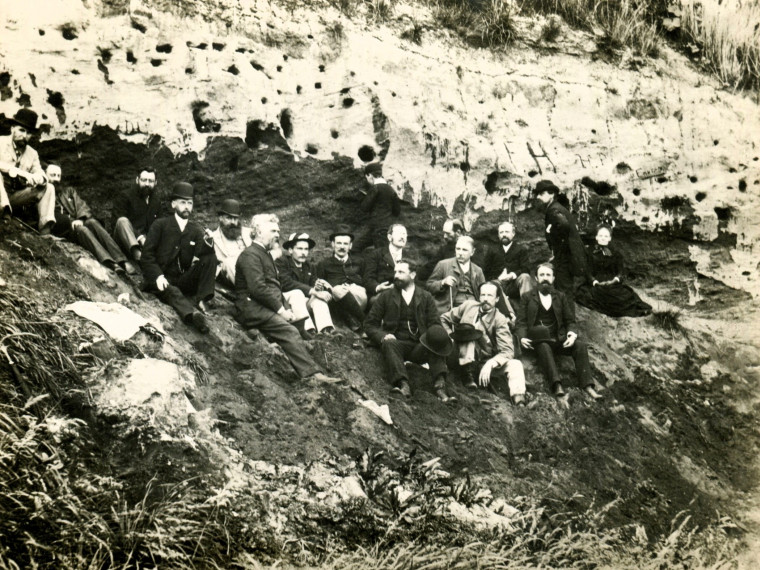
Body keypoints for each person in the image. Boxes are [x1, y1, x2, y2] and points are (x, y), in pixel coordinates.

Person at [235, 214, 340, 384]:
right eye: (273, 230)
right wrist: (281, 310)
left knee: (300, 327)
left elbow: (274, 287)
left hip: (262, 306)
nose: (278, 234)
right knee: (290, 330)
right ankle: (312, 375)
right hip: (251, 308)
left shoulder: (264, 254)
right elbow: (258, 289)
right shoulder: (250, 255)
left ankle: (313, 362)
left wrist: (286, 309)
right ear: (259, 232)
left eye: (278, 230)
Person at [365, 260, 454, 401]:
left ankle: (440, 387)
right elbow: (370, 324)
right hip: (397, 344)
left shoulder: (426, 297)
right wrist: (383, 336)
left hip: (420, 345)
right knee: (389, 344)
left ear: (412, 274)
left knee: (436, 337)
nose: (396, 276)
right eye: (395, 272)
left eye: (401, 272)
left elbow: (435, 323)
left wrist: (435, 335)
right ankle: (403, 384)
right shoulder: (386, 296)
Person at [516, 263, 602, 399]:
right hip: (538, 340)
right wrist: (522, 337)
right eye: (542, 275)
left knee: (580, 345)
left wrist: (572, 335)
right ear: (536, 279)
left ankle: (588, 386)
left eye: (548, 275)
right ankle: (557, 385)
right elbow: (521, 321)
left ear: (553, 278)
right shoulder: (527, 297)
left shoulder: (560, 297)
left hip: (558, 339)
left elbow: (570, 320)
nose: (545, 278)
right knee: (544, 346)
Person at [141, 182, 216, 334]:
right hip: (161, 279)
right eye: (183, 202)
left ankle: (202, 299)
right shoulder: (160, 225)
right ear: (173, 204)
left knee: (210, 258)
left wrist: (209, 242)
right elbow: (147, 256)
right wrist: (157, 275)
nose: (187, 206)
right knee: (172, 291)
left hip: (183, 279)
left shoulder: (196, 230)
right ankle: (192, 315)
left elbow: (203, 257)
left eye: (190, 203)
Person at [441, 281, 526, 405]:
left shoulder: (500, 319)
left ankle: (519, 401)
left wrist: (491, 363)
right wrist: (450, 337)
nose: (485, 299)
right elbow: (444, 318)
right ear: (479, 296)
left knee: (516, 364)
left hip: (483, 361)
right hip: (458, 357)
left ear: (497, 299)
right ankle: (466, 376)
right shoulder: (468, 306)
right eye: (483, 295)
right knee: (468, 333)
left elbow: (507, 350)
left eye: (490, 296)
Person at [46, 163, 133, 274]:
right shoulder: (44, 193)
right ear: (45, 174)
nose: (56, 179)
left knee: (92, 222)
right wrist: (72, 222)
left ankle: (121, 259)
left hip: (76, 224)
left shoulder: (68, 191)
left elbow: (82, 206)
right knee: (82, 230)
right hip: (63, 229)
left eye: (58, 176)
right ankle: (110, 263)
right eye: (52, 175)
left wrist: (81, 219)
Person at [575, 225, 652, 317]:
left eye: (606, 236)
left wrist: (614, 280)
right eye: (601, 236)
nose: (603, 238)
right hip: (596, 284)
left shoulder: (615, 253)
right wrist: (595, 282)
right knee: (590, 294)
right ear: (596, 237)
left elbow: (621, 271)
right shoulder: (590, 252)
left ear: (610, 238)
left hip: (612, 283)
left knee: (624, 295)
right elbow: (587, 271)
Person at [0, 108, 56, 233]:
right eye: (21, 130)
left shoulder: (32, 153)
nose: (24, 136)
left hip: (15, 199)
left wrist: (39, 179)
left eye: (29, 133)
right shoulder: (0, 142)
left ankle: (45, 230)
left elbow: (41, 173)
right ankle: (4, 216)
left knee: (49, 187)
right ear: (12, 128)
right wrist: (22, 173)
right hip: (1, 197)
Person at [533, 180, 586, 302]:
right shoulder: (556, 208)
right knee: (563, 289)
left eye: (541, 194)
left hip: (565, 258)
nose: (538, 197)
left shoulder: (554, 210)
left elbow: (564, 225)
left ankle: (567, 320)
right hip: (566, 257)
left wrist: (558, 253)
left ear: (551, 194)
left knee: (564, 290)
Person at [276, 232, 336, 336]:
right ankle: (308, 330)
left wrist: (317, 286)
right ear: (290, 250)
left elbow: (313, 282)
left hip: (303, 303)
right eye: (299, 249)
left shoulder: (309, 266)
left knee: (318, 298)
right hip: (286, 302)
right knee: (297, 293)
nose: (303, 253)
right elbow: (287, 283)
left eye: (306, 249)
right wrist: (313, 291)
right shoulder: (282, 262)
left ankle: (326, 329)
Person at [315, 227, 367, 331]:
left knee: (351, 290)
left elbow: (366, 281)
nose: (342, 247)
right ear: (333, 244)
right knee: (337, 290)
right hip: (336, 298)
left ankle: (359, 320)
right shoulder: (324, 264)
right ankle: (363, 322)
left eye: (345, 244)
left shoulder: (360, 262)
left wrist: (353, 286)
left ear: (350, 246)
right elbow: (321, 284)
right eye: (339, 243)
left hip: (359, 296)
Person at [426, 236, 485, 316]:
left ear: (472, 252)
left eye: (464, 250)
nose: (460, 253)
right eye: (458, 249)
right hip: (450, 308)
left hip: (472, 309)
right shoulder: (443, 265)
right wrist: (443, 282)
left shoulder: (478, 270)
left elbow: (484, 292)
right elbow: (429, 286)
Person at [113, 167, 162, 262]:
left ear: (155, 183)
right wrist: (139, 237)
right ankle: (139, 256)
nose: (147, 184)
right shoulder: (125, 196)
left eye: (150, 181)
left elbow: (158, 225)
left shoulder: (156, 201)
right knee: (122, 220)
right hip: (124, 241)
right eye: (144, 180)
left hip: (146, 244)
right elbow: (116, 222)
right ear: (137, 180)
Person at [482, 221, 534, 301]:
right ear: (498, 235)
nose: (504, 235)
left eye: (507, 232)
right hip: (497, 284)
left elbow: (526, 268)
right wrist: (498, 278)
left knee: (525, 277)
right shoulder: (492, 250)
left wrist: (512, 275)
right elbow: (486, 271)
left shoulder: (521, 249)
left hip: (514, 285)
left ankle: (527, 306)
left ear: (513, 234)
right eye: (501, 232)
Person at [356, 162, 401, 250]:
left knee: (381, 256)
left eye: (366, 178)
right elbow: (397, 211)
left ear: (369, 175)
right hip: (386, 229)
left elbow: (364, 208)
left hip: (378, 229)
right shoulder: (391, 189)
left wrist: (363, 197)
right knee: (357, 246)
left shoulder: (375, 188)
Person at [209, 199, 253, 286]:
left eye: (235, 218)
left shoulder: (249, 233)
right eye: (229, 218)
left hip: (253, 269)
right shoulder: (212, 238)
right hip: (231, 274)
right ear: (220, 218)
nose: (233, 222)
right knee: (229, 262)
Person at [363, 223, 407, 301]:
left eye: (404, 234)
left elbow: (416, 279)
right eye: (399, 233)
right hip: (382, 295)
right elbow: (368, 279)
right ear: (389, 237)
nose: (402, 237)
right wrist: (378, 287)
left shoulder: (410, 256)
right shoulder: (375, 254)